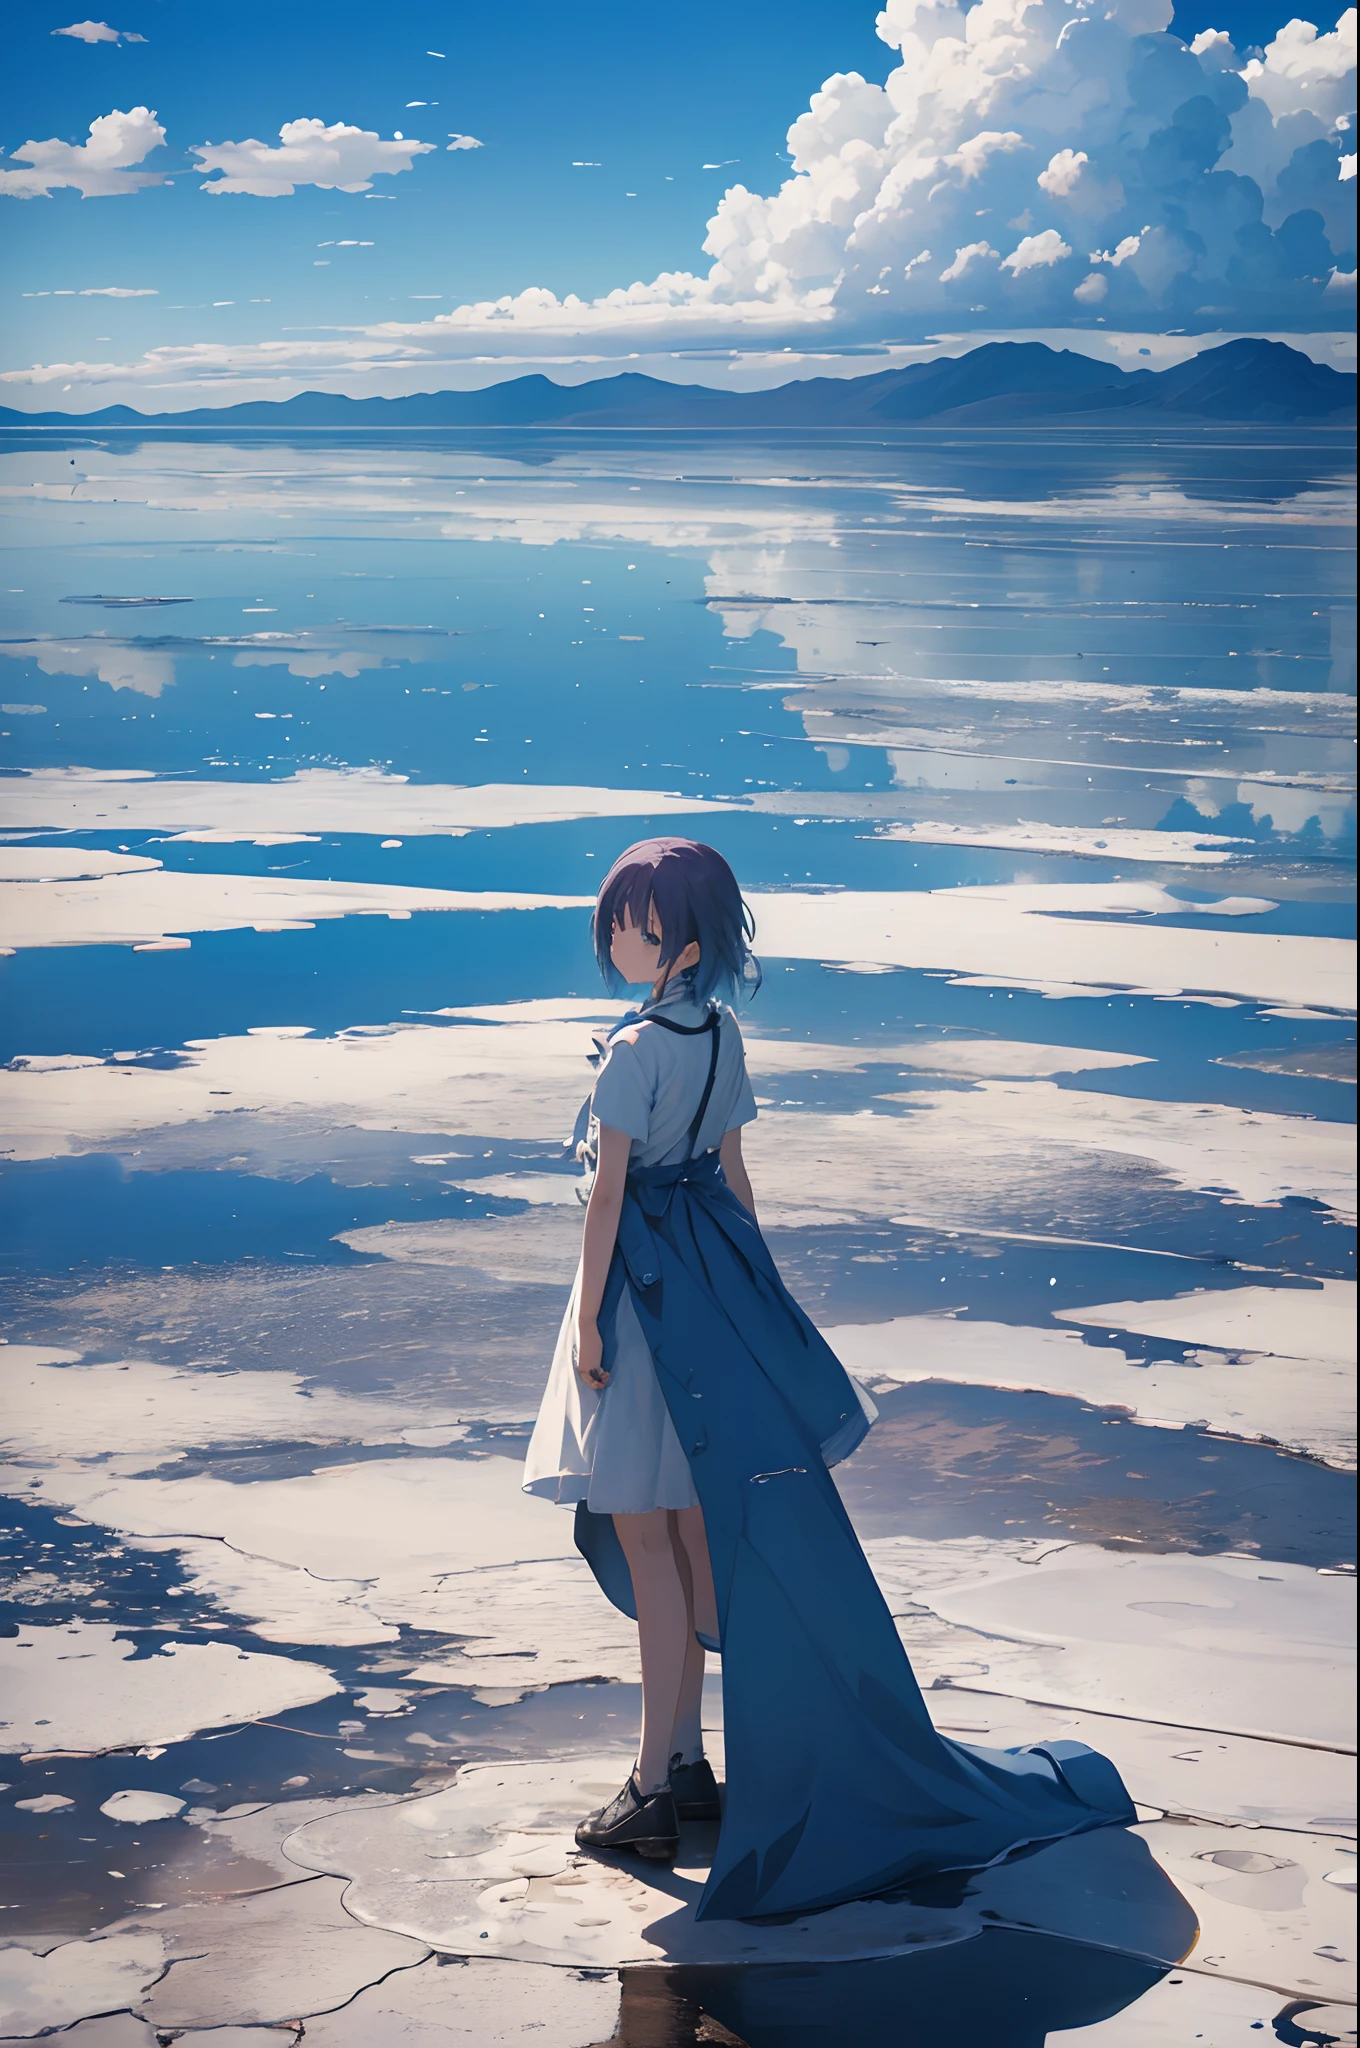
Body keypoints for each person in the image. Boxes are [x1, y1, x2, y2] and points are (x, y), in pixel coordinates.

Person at [524, 837, 1135, 1922]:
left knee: (648, 1541)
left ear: (683, 942)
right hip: (714, 1291)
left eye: (637, 923)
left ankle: (657, 1782)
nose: (617, 937)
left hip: (645, 1300)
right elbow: (738, 1180)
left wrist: (585, 1325)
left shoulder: (628, 1051)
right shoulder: (721, 1035)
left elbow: (608, 1199)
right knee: (696, 1532)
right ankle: (692, 1766)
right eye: (616, 919)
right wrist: (759, 1307)